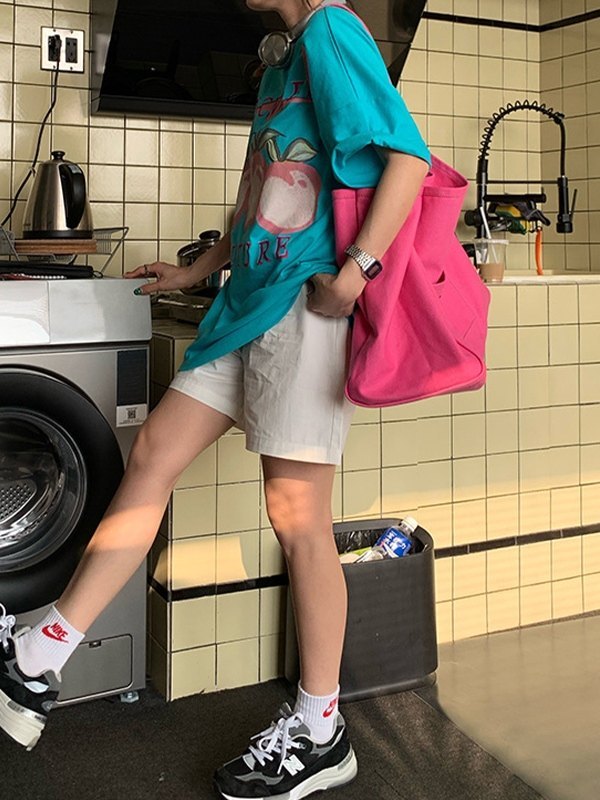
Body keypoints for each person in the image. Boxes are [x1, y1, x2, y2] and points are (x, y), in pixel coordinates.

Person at [0, 1, 430, 797]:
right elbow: (261, 194)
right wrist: (196, 271)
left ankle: (321, 730)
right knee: (153, 457)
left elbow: (408, 158)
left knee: (298, 520)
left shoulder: (333, 30)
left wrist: (357, 272)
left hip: (304, 310)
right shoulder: (279, 58)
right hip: (243, 308)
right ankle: (38, 659)